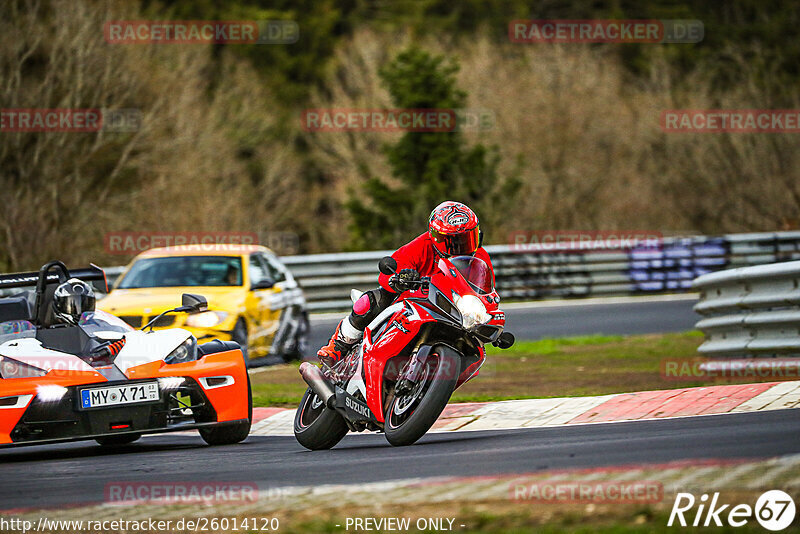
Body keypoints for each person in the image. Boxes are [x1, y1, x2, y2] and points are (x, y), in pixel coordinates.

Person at [317, 201, 494, 367]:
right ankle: (338, 346)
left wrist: (489, 315)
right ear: (435, 237)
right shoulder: (421, 246)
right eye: (452, 241)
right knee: (373, 301)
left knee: (474, 345)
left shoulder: (480, 258)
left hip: (451, 310)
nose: (460, 246)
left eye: (466, 239)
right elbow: (391, 269)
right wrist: (400, 278)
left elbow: (486, 291)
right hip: (415, 301)